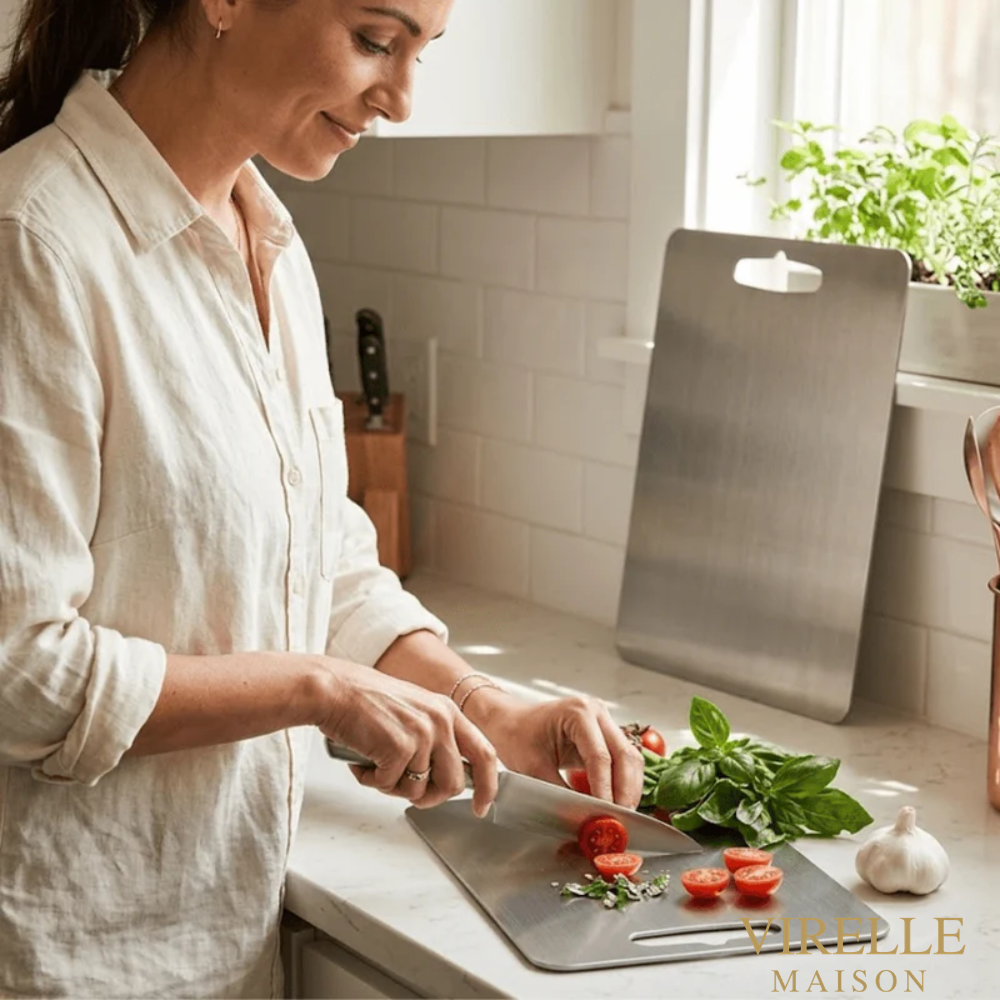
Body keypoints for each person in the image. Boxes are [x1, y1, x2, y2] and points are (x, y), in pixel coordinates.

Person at [0, 1, 645, 996]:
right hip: (72, 955)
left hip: (226, 935)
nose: (400, 100)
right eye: (375, 42)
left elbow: (320, 558)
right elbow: (19, 671)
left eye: (422, 54)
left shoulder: (268, 241)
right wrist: (320, 688)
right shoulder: (31, 240)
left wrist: (481, 706)